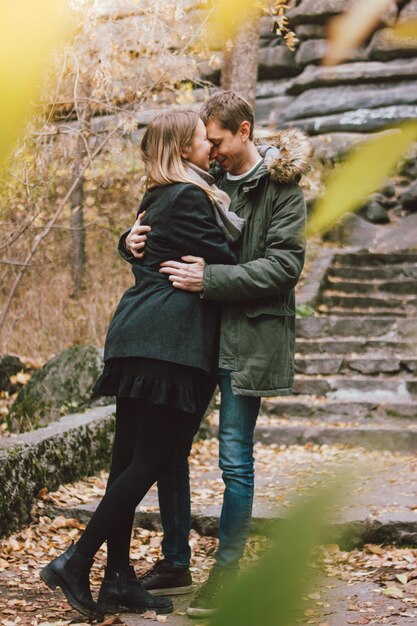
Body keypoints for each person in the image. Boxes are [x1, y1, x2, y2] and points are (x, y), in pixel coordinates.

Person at [39, 109, 238, 622]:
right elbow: (233, 261)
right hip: (168, 340)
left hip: (136, 333)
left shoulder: (159, 193)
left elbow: (152, 245)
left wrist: (125, 242)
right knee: (153, 458)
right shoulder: (190, 196)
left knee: (126, 463)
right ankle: (76, 560)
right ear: (181, 148)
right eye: (200, 139)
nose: (207, 147)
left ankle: (118, 579)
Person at [122, 91, 310, 618]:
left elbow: (284, 266)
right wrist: (128, 239)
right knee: (168, 450)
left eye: (219, 140)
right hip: (190, 341)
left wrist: (212, 279)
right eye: (207, 142)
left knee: (234, 459)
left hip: (245, 340)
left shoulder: (282, 187)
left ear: (245, 131)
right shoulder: (205, 178)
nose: (212, 150)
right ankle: (175, 561)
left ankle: (225, 573)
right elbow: (163, 225)